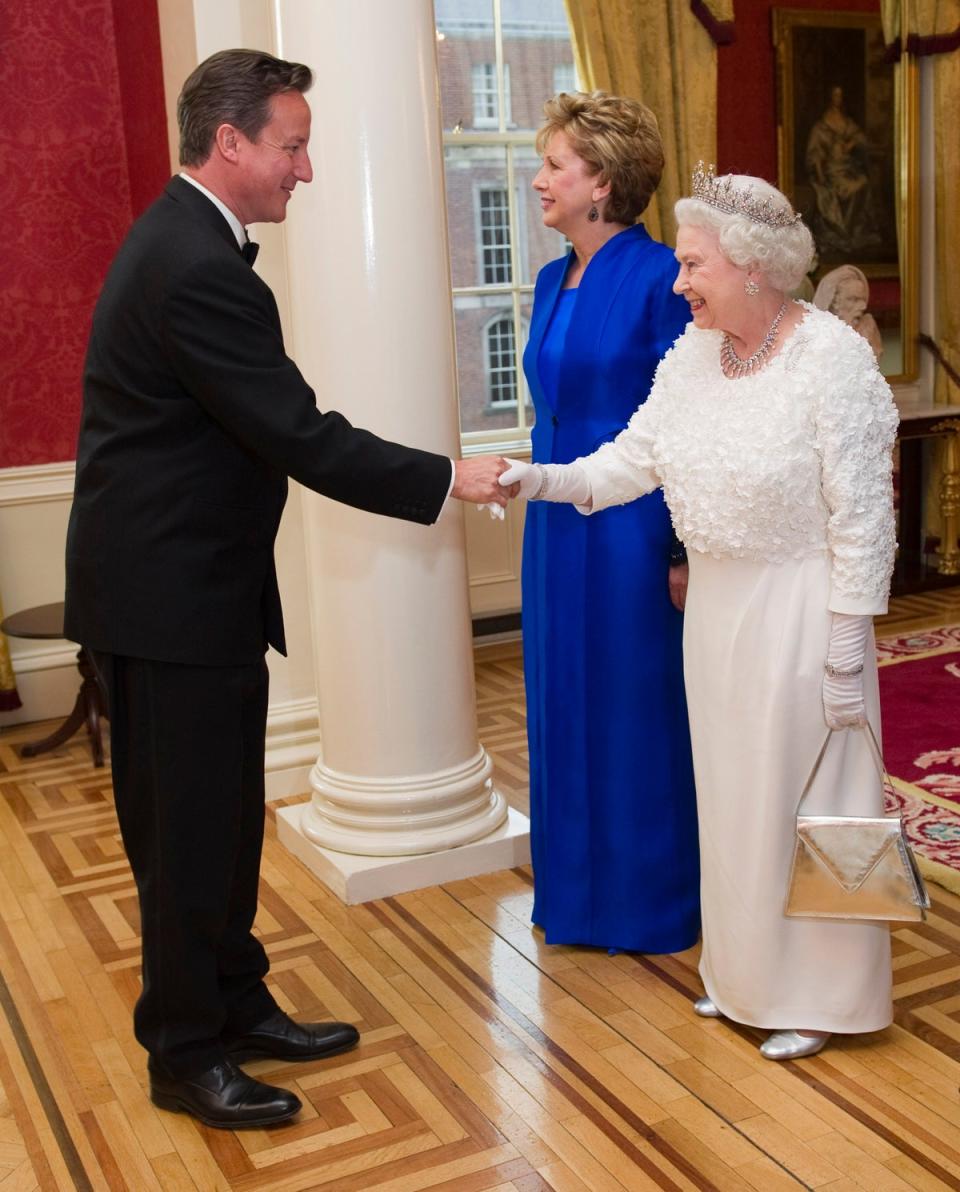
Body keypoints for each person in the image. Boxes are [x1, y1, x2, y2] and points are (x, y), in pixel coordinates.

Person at [64, 48, 513, 1129]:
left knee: (217, 823)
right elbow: (298, 433)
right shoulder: (196, 262)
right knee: (183, 841)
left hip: (190, 592)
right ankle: (183, 1050)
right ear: (232, 144)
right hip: (168, 605)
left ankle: (235, 1001)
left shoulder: (190, 240)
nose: (304, 170)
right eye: (293, 145)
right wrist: (446, 474)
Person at [501, 168, 898, 1060]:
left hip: (803, 607)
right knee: (732, 801)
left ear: (751, 266)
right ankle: (743, 977)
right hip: (716, 611)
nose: (678, 283)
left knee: (815, 803)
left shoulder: (830, 357)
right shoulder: (691, 356)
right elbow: (629, 460)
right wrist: (540, 482)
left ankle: (826, 996)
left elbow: (867, 511)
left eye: (692, 266)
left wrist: (846, 636)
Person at [521, 91, 699, 954]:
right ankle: (576, 900)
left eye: (555, 164)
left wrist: (680, 548)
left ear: (604, 183)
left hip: (635, 531)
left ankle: (650, 902)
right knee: (562, 700)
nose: (538, 178)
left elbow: (690, 426)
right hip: (555, 529)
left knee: (636, 708)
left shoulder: (665, 275)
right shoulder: (554, 276)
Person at [805, 85, 881, 257]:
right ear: (830, 98)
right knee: (849, 189)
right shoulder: (822, 125)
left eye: (840, 96)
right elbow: (815, 154)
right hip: (832, 172)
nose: (837, 99)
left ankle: (854, 231)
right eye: (835, 95)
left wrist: (852, 143)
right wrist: (820, 175)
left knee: (863, 184)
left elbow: (861, 138)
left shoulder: (846, 122)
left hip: (848, 169)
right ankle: (843, 232)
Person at [814, 263, 883, 360]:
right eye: (854, 299)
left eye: (863, 299)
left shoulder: (867, 328)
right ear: (834, 303)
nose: (863, 306)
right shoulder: (819, 336)